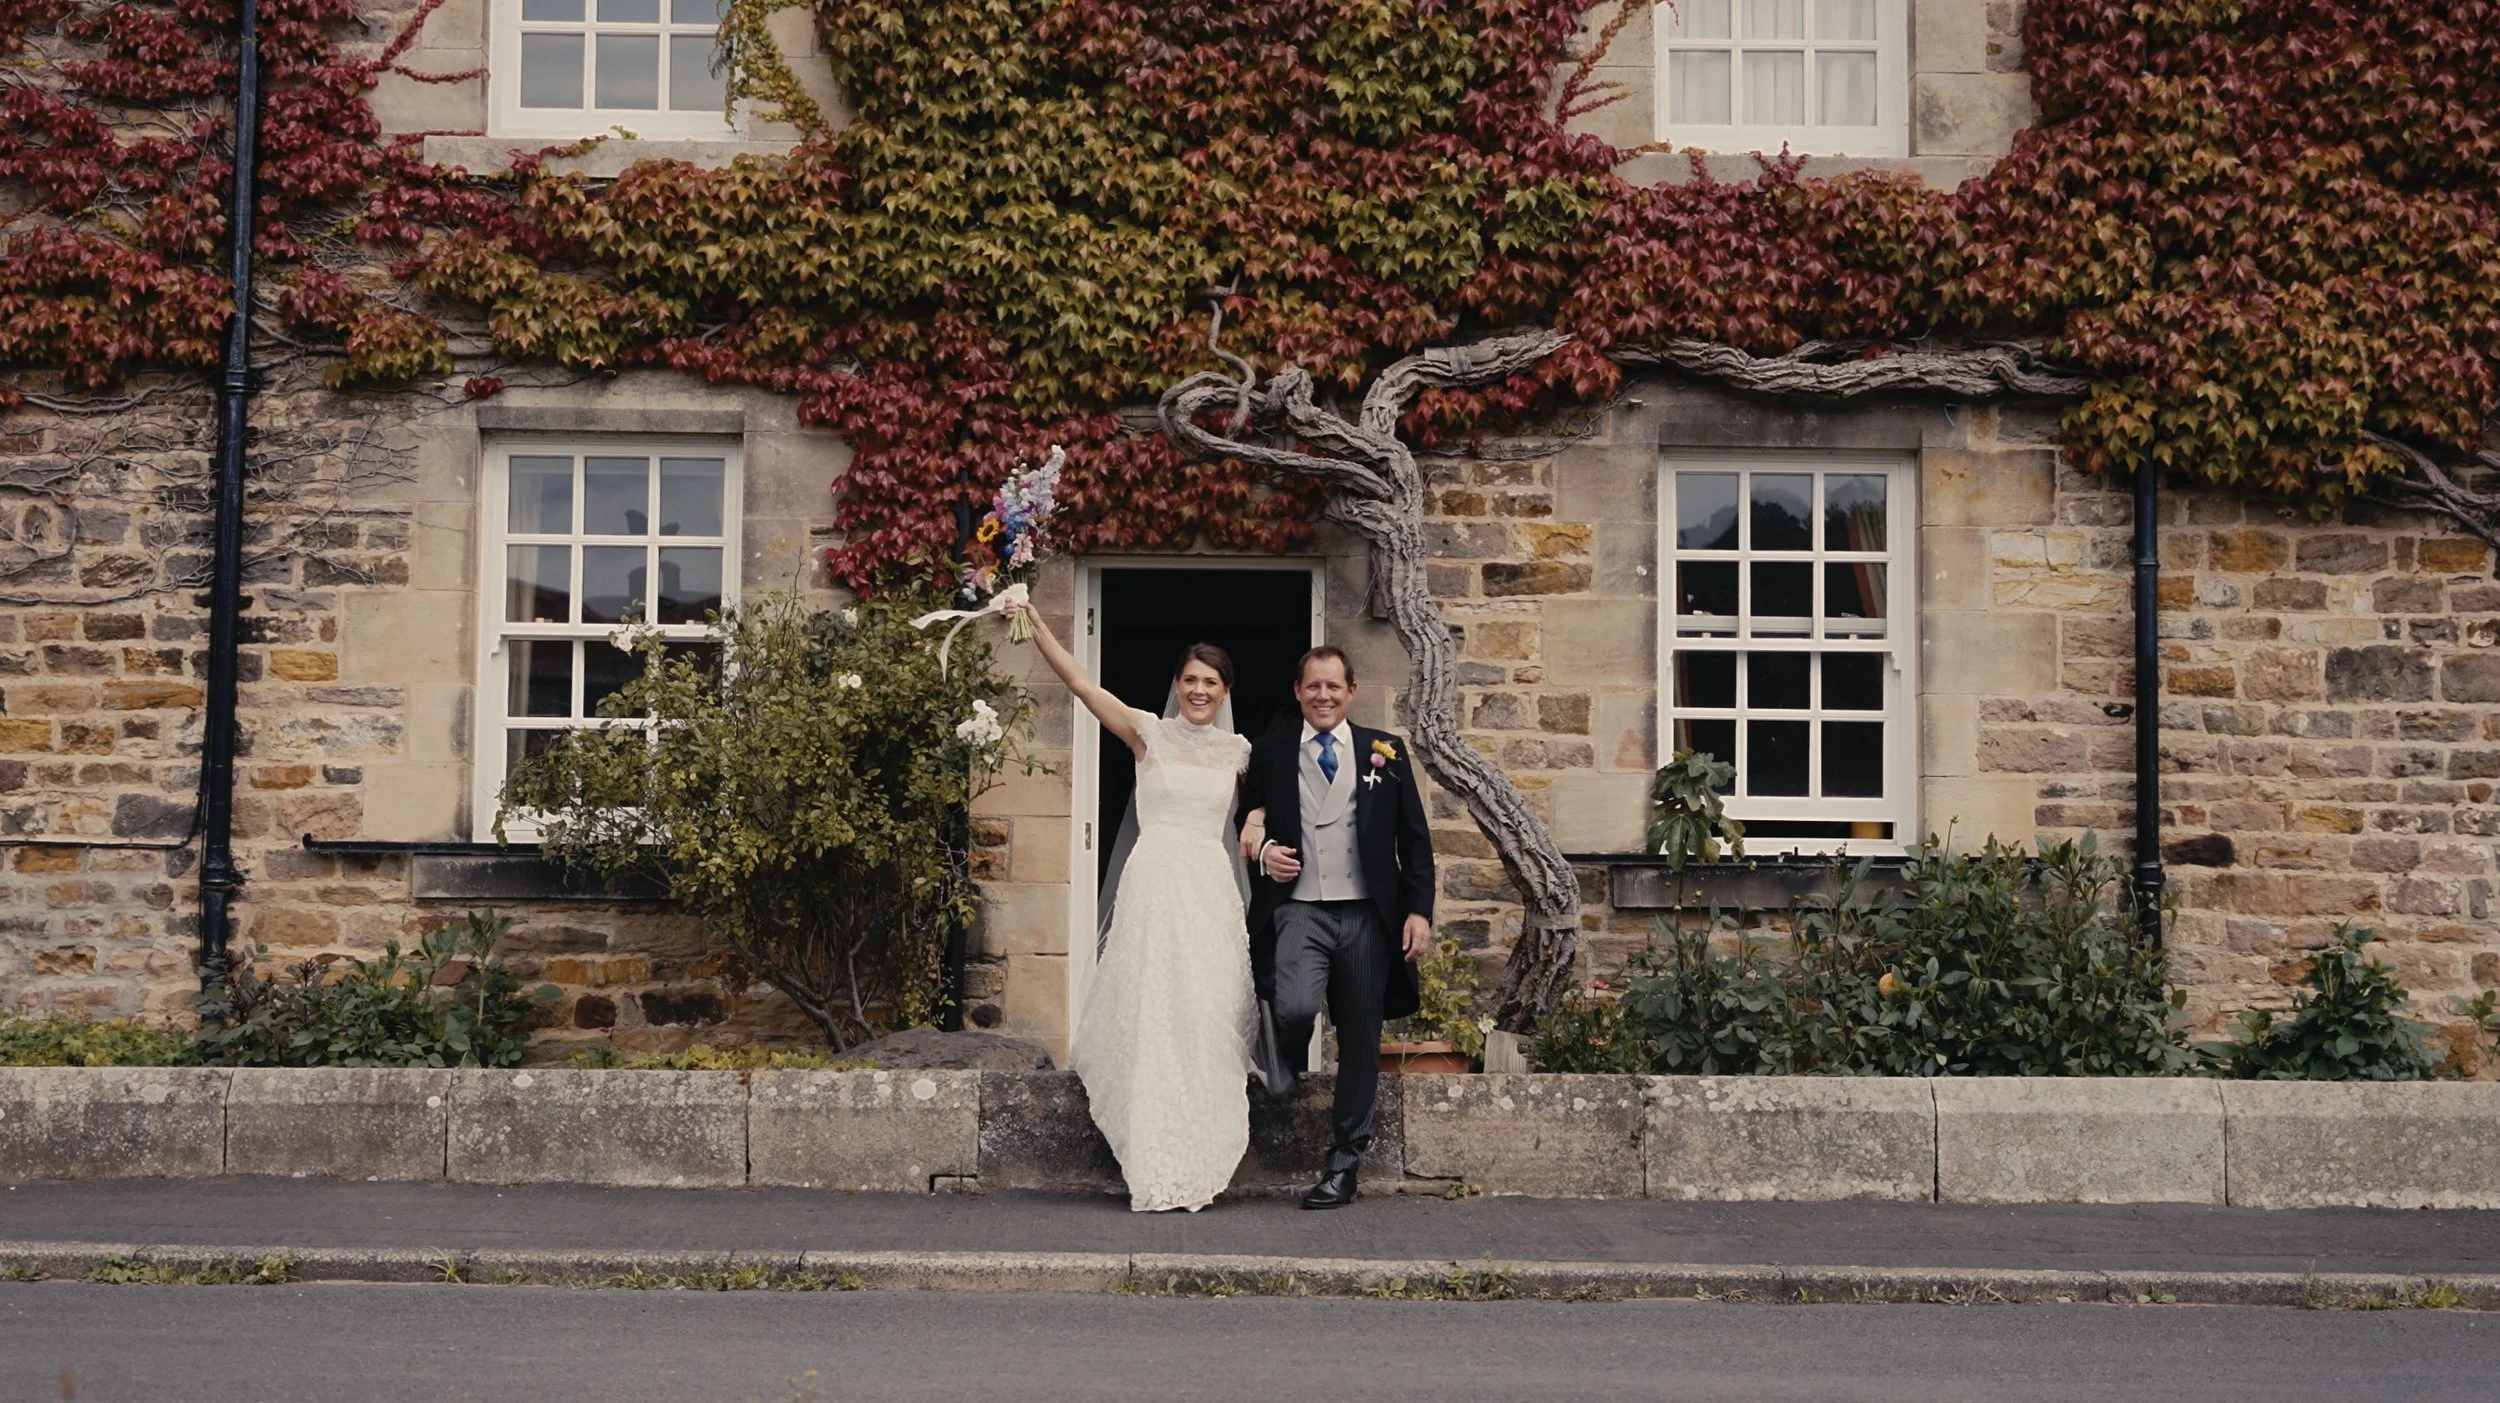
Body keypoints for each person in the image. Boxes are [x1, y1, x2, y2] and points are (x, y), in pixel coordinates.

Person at [1001, 595, 1255, 1213]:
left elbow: (1267, 803)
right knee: (1153, 1007)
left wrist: (1263, 822)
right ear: (1177, 685)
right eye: (1190, 680)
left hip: (1209, 885)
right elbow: (1082, 684)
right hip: (1155, 880)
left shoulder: (1241, 751)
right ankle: (1149, 1153)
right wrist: (1032, 618)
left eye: (1210, 683)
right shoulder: (1147, 732)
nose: (1199, 691)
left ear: (1225, 692)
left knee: (1205, 1010)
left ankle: (1199, 1150)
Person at [1237, 646, 1435, 1210]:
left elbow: (1414, 839)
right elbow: (1245, 820)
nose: (1323, 696)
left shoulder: (1386, 751)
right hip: (1300, 907)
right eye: (1312, 687)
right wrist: (1267, 850)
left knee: (1360, 1038)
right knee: (1295, 1005)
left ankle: (1344, 1163)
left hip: (1367, 915)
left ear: (1351, 692)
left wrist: (1418, 910)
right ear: (1297, 692)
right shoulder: (1270, 751)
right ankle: (1287, 1061)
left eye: (1333, 687)